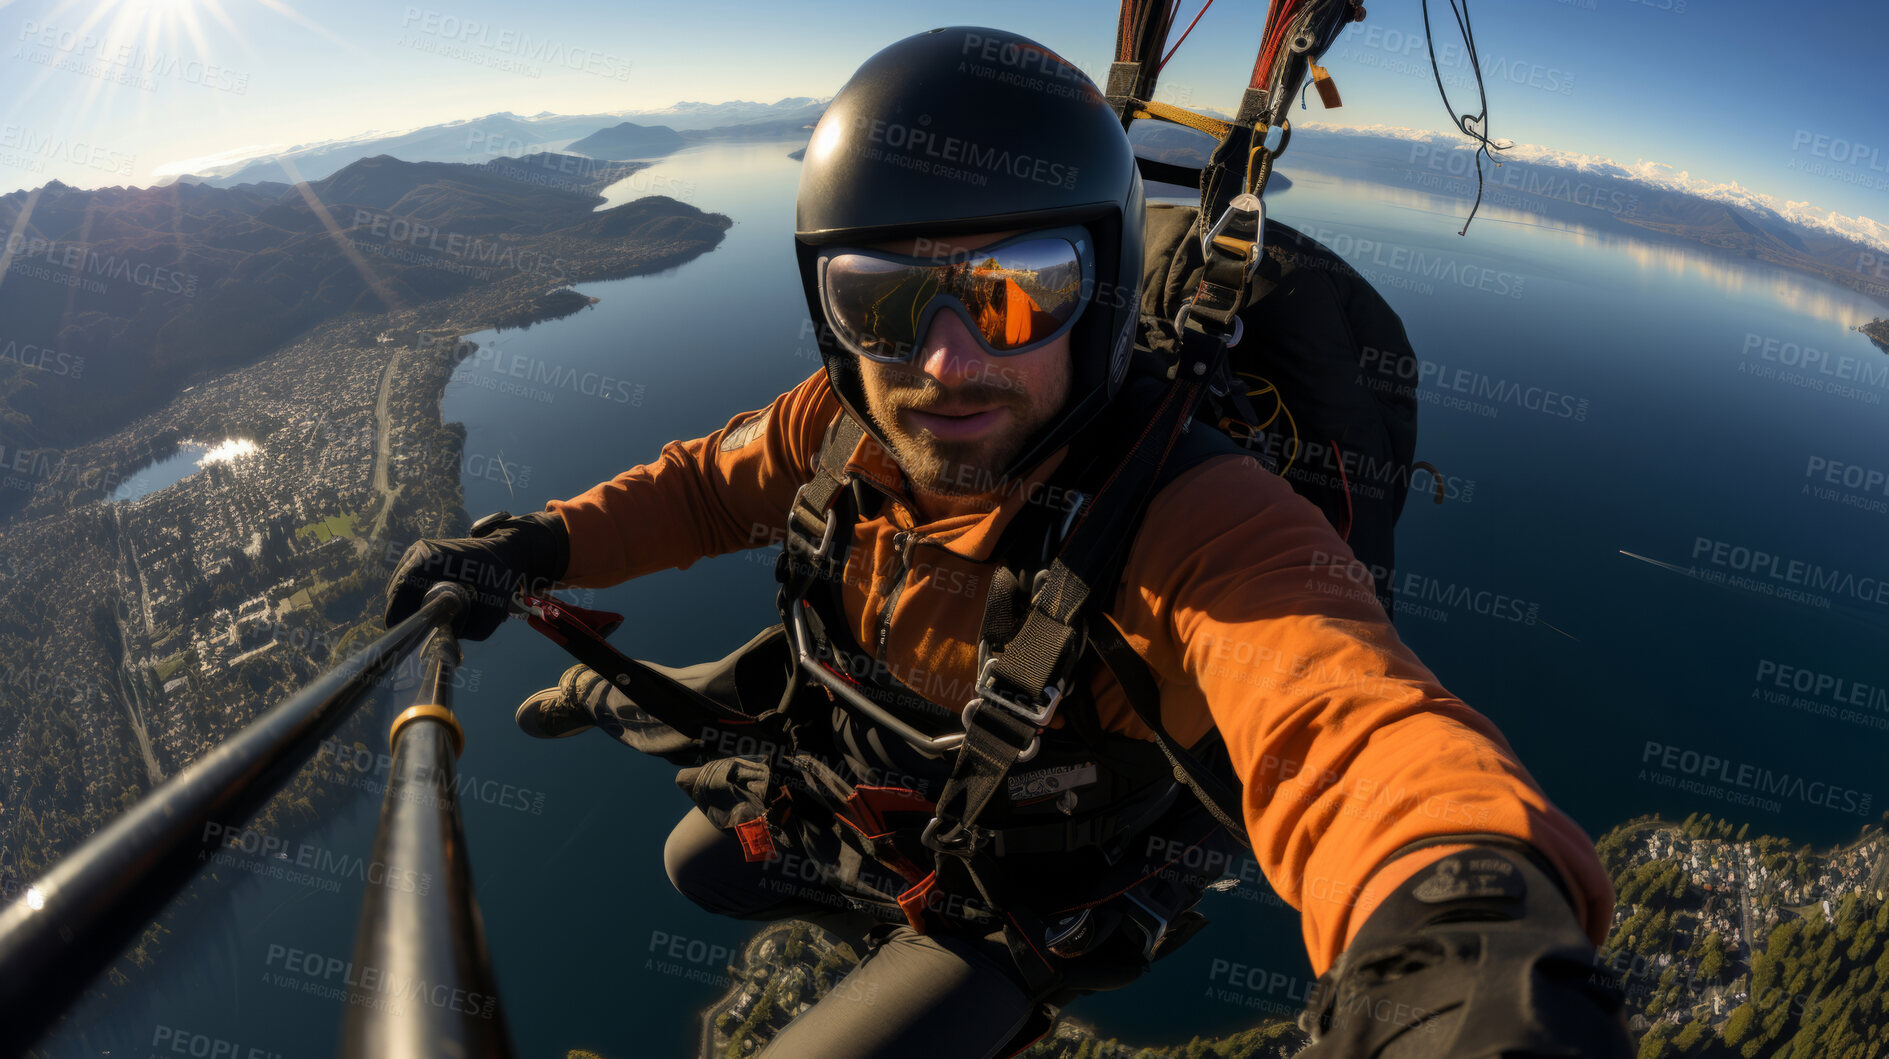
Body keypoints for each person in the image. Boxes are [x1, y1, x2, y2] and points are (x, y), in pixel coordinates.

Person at [386, 26, 1633, 1059]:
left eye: (1013, 290)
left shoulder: (1188, 517)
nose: (943, 359)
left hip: (1012, 902)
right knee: (694, 864)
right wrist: (536, 548)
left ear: (1094, 296)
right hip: (870, 778)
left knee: (713, 877)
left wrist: (1460, 936)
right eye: (882, 299)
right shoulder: (838, 423)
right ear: (831, 312)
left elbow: (1346, 714)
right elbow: (701, 492)